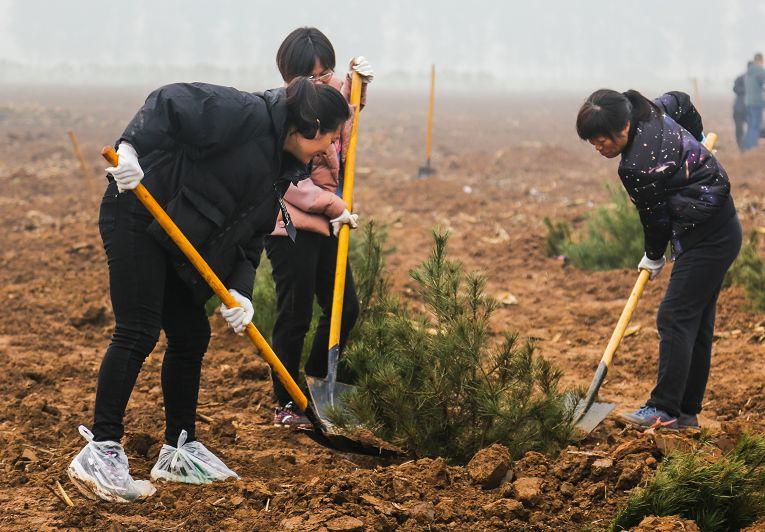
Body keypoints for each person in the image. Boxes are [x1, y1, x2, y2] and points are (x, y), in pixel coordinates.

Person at [68, 78, 350, 502]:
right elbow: (169, 102)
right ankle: (101, 450)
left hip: (176, 235)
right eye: (328, 140)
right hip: (138, 208)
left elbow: (251, 238)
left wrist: (241, 293)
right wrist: (130, 149)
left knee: (191, 335)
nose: (327, 150)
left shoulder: (280, 165)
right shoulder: (245, 113)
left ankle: (178, 451)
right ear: (310, 125)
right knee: (138, 329)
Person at [576, 89, 742, 430]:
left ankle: (663, 408)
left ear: (624, 127)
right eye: (592, 141)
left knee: (674, 316)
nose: (598, 148)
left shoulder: (636, 166)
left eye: (602, 140)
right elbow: (680, 100)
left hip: (707, 236)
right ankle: (684, 413)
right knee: (695, 323)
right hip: (720, 223)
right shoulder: (650, 110)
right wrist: (693, 134)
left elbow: (656, 220)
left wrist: (653, 256)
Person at [265, 27, 374, 426]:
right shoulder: (281, 116)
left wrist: (355, 87)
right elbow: (292, 183)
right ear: (289, 77)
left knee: (346, 308)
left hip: (329, 222)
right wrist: (335, 207)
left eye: (326, 73)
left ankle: (313, 382)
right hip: (289, 226)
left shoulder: (327, 99)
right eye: (311, 77)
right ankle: (287, 403)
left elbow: (341, 121)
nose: (320, 82)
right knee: (294, 315)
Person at [743, 53, 765, 151]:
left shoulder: (748, 71)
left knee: (751, 124)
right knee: (756, 125)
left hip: (748, 102)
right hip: (756, 102)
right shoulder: (760, 71)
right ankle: (753, 147)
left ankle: (748, 146)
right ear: (760, 60)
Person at [733, 64, 749, 151]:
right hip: (740, 108)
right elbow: (735, 88)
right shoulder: (741, 78)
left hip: (742, 108)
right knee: (740, 128)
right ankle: (741, 146)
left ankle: (744, 146)